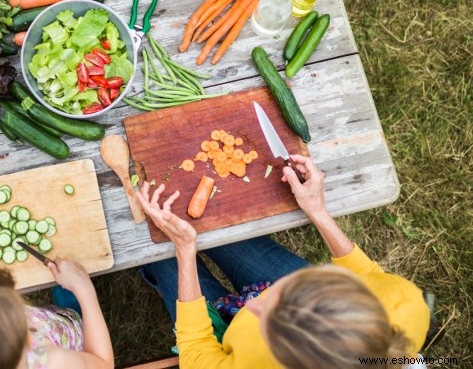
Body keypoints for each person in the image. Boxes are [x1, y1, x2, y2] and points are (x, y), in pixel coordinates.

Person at [135, 154, 431, 368]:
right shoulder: (403, 307)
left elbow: (198, 353)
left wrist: (184, 251)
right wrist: (318, 211)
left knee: (157, 250)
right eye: (286, 295)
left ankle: (158, 269)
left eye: (270, 323)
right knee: (222, 229)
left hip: (224, 344)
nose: (251, 304)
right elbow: (368, 275)